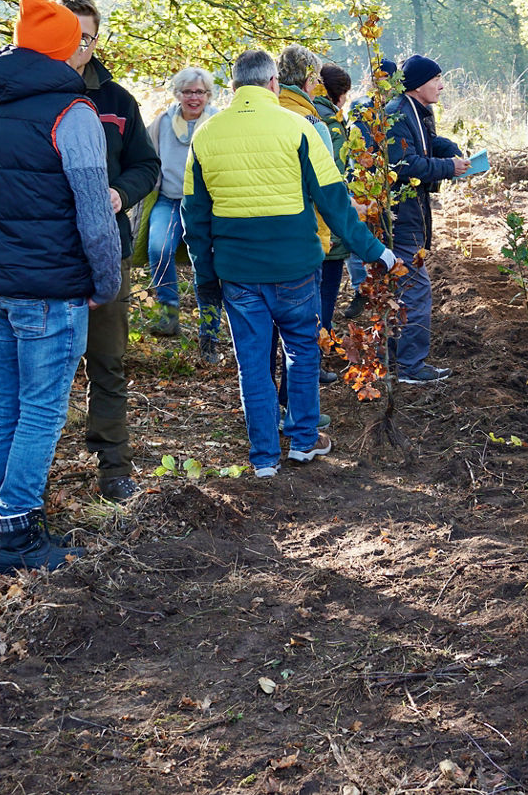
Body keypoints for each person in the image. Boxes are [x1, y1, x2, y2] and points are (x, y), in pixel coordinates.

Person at [0, 0, 120, 572]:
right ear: (66, 48)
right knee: (43, 409)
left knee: (9, 401)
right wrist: (106, 280)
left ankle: (5, 508)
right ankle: (18, 533)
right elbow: (96, 215)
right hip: (49, 289)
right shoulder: (71, 114)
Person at [181, 49, 401, 477]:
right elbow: (335, 205)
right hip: (296, 268)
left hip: (237, 273)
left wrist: (205, 280)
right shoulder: (299, 128)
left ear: (232, 87)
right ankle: (303, 441)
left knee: (252, 364)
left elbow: (196, 219)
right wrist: (378, 252)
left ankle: (263, 459)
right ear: (273, 84)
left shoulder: (206, 135)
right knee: (302, 353)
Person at [58, 0, 160, 504]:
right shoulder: (30, 97)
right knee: (45, 366)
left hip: (108, 251)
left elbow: (147, 164)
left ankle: (114, 463)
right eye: (69, 33)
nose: (79, 45)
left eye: (87, 36)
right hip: (47, 256)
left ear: (96, 40)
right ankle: (34, 467)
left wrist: (122, 192)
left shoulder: (117, 101)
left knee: (108, 359)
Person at [383, 55, 469, 384]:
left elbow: (427, 143)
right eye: (436, 79)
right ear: (419, 84)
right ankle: (410, 367)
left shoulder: (417, 111)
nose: (442, 85)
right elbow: (403, 164)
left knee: (402, 291)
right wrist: (448, 169)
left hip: (411, 218)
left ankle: (396, 362)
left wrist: (449, 149)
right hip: (399, 219)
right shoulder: (396, 114)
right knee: (415, 292)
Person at [140, 66, 222, 354]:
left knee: (207, 263)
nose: (194, 97)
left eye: (199, 92)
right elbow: (147, 160)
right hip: (169, 199)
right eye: (188, 91)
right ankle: (169, 314)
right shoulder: (162, 123)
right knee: (158, 248)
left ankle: (210, 331)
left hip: (205, 204)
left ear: (208, 95)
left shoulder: (218, 122)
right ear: (178, 94)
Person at [274, 44, 342, 388]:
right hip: (305, 241)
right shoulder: (313, 124)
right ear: (310, 80)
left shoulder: (262, 117)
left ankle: (266, 409)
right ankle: (295, 406)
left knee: (263, 336)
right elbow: (328, 192)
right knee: (300, 331)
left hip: (257, 240)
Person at [343, 58, 398, 320]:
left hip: (391, 185)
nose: (382, 84)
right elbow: (357, 147)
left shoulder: (398, 111)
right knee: (357, 238)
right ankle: (360, 291)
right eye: (377, 78)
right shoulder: (359, 107)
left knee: (389, 234)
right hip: (362, 183)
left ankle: (388, 288)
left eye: (387, 79)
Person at [315, 62, 355, 334]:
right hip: (326, 228)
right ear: (340, 94)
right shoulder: (331, 124)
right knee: (325, 295)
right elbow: (336, 178)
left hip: (301, 227)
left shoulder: (299, 112)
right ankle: (316, 355)